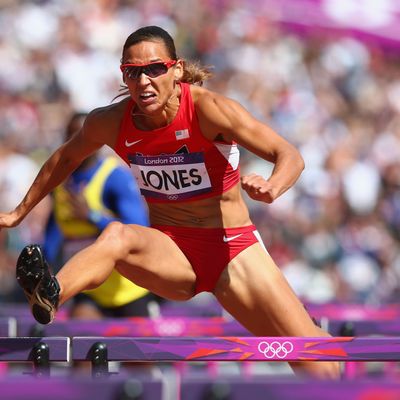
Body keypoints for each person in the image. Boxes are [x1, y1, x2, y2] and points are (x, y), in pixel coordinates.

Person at [0, 26, 339, 379]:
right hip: (173, 252)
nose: (144, 81)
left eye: (154, 68)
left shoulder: (210, 110)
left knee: (313, 363)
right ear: (124, 76)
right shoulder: (110, 122)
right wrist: (18, 213)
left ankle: (322, 344)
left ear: (176, 70)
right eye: (132, 72)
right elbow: (64, 159)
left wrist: (273, 186)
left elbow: (289, 155)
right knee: (118, 236)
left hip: (232, 252)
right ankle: (50, 295)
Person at [43, 112, 159, 319]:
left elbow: (139, 228)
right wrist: (45, 264)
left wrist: (92, 216)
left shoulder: (115, 177)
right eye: (72, 137)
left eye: (84, 137)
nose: (78, 144)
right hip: (88, 289)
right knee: (80, 334)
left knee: (138, 350)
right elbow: (54, 228)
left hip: (128, 289)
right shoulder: (59, 182)